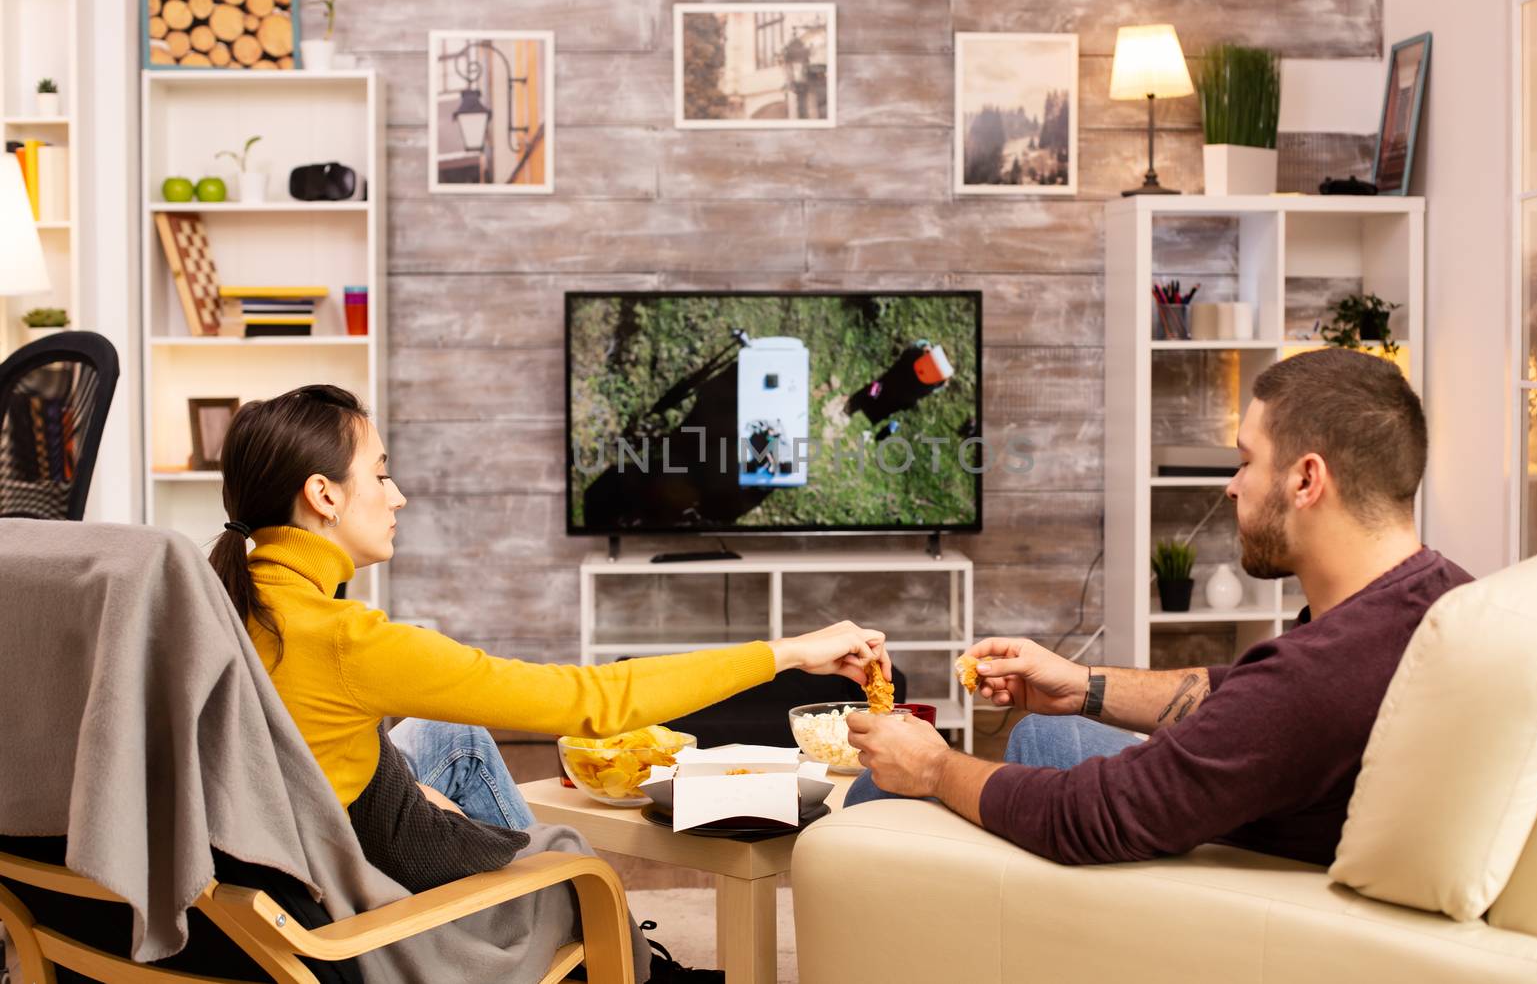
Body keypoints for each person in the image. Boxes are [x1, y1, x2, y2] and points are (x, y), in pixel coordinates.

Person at [208, 384, 890, 982]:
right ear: (322, 494)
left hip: (246, 886)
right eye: (380, 474)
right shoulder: (345, 640)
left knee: (452, 734)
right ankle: (605, 952)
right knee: (566, 854)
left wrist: (388, 775)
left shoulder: (216, 604)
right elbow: (592, 701)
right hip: (332, 919)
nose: (398, 495)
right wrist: (787, 650)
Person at [844, 348, 1472, 868]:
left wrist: (934, 766)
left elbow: (1084, 817)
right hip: (1280, 809)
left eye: (1247, 461)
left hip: (1227, 873)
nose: (1231, 485)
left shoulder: (1320, 677)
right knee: (1043, 728)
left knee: (881, 788)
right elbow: (1244, 696)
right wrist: (1082, 686)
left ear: (1306, 480)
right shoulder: (1439, 595)